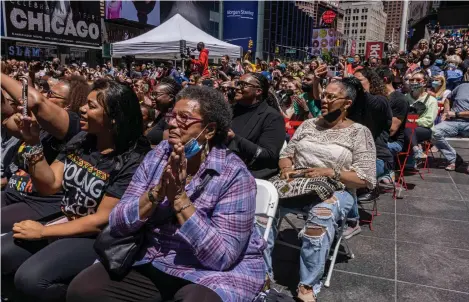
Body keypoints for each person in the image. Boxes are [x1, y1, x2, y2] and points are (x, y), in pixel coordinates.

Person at [66, 86, 266, 302]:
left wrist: (179, 198)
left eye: (184, 119)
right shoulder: (159, 155)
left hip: (208, 273)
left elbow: (221, 258)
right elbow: (117, 222)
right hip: (153, 257)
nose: (171, 123)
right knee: (83, 290)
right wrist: (157, 192)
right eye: (172, 116)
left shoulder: (234, 175)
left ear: (208, 131)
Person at [1, 79, 150, 301]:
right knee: (3, 255)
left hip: (97, 238)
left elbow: (100, 220)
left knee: (30, 279)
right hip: (66, 222)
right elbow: (49, 185)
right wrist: (32, 141)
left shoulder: (135, 158)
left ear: (114, 118)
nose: (81, 108)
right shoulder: (83, 139)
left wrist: (43, 232)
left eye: (92, 106)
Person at [266, 78, 376, 302]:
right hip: (298, 185)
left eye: (330, 97)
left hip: (339, 189)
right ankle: (260, 273)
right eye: (323, 95)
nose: (323, 100)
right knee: (262, 210)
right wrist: (286, 168)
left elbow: (364, 178)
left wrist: (330, 172)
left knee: (321, 215)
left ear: (347, 103)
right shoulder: (308, 125)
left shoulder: (359, 132)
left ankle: (307, 284)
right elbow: (287, 154)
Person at [1, 75, 88, 233]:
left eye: (52, 95)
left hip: (38, 203)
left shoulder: (73, 124)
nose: (46, 96)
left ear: (69, 104)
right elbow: (8, 119)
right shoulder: (40, 125)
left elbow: (35, 101)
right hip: (12, 193)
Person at [228, 73, 285, 180]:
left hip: (250, 174)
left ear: (258, 91)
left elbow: (268, 156)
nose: (237, 87)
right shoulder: (229, 110)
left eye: (243, 85)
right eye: (238, 83)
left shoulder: (272, 117)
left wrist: (235, 138)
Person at [432, 83, 469, 173]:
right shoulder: (462, 86)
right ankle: (454, 159)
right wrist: (446, 111)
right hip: (454, 121)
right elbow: (448, 99)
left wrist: (457, 114)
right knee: (433, 132)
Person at [405, 70, 439, 168]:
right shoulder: (405, 98)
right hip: (407, 128)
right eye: (412, 80)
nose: (414, 82)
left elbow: (429, 120)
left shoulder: (431, 100)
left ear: (424, 82)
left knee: (409, 126)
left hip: (425, 129)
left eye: (418, 79)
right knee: (406, 127)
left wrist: (413, 121)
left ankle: (414, 153)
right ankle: (415, 150)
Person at [145, 77, 182, 146]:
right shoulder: (163, 114)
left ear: (170, 97)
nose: (152, 97)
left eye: (156, 94)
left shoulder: (171, 117)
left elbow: (166, 147)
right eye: (152, 94)